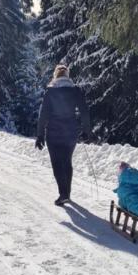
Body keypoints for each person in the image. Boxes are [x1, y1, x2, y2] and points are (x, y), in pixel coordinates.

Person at [35, 64, 91, 206]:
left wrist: (40, 135)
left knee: (57, 163)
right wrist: (87, 131)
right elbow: (84, 111)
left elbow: (43, 115)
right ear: (67, 76)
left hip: (53, 133)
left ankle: (63, 193)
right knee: (67, 161)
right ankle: (67, 194)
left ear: (55, 76)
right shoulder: (75, 91)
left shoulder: (50, 92)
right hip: (70, 132)